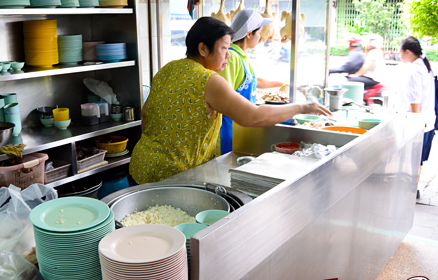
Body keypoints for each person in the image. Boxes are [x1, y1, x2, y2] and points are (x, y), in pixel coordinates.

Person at [129, 17, 332, 184]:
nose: (228, 56)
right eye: (224, 49)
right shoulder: (209, 80)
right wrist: (301, 107)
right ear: (203, 49)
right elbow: (253, 117)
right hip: (174, 174)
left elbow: (146, 113)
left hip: (142, 164)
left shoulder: (167, 69)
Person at [218, 9, 285, 154]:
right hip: (229, 133)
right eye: (259, 32)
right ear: (249, 34)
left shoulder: (242, 55)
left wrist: (280, 84)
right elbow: (223, 98)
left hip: (242, 129)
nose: (261, 36)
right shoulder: (231, 58)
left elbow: (255, 81)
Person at [397, 36, 436, 195]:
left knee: (412, 158)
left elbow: (415, 101)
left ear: (407, 51)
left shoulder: (414, 70)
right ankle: (414, 187)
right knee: (418, 159)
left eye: (400, 50)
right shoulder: (425, 67)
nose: (398, 54)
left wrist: (414, 126)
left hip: (418, 122)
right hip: (428, 122)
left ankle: (410, 188)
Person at [348, 33, 385, 104]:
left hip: (373, 79)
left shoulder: (373, 52)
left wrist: (357, 75)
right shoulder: (379, 52)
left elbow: (367, 66)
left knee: (349, 80)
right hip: (376, 79)